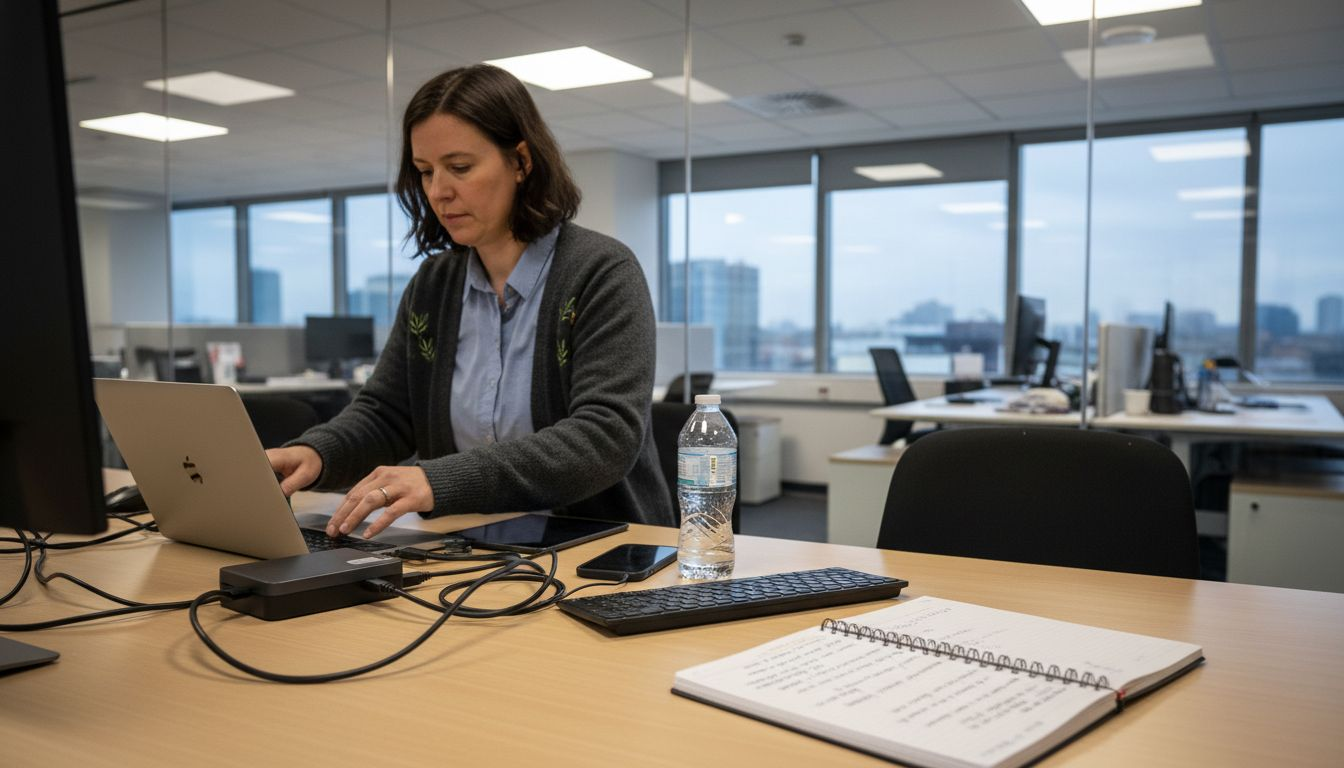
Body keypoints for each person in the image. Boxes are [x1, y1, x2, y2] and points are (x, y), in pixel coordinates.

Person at [267, 64, 673, 538]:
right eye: (425, 172)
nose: (439, 191)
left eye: (459, 168)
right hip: (466, 548)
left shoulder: (600, 272)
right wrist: (318, 454)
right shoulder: (434, 285)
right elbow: (388, 414)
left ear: (521, 162)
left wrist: (438, 480)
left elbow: (603, 438)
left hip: (599, 546)